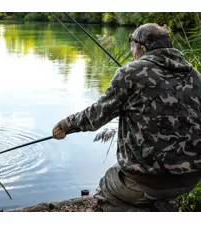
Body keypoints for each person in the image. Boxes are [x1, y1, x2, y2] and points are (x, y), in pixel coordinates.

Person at [52, 23, 201, 212]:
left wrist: (66, 125)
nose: (131, 52)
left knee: (107, 185)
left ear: (142, 48)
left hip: (148, 181)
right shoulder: (194, 75)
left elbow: (96, 116)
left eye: (132, 46)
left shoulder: (131, 73)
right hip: (190, 178)